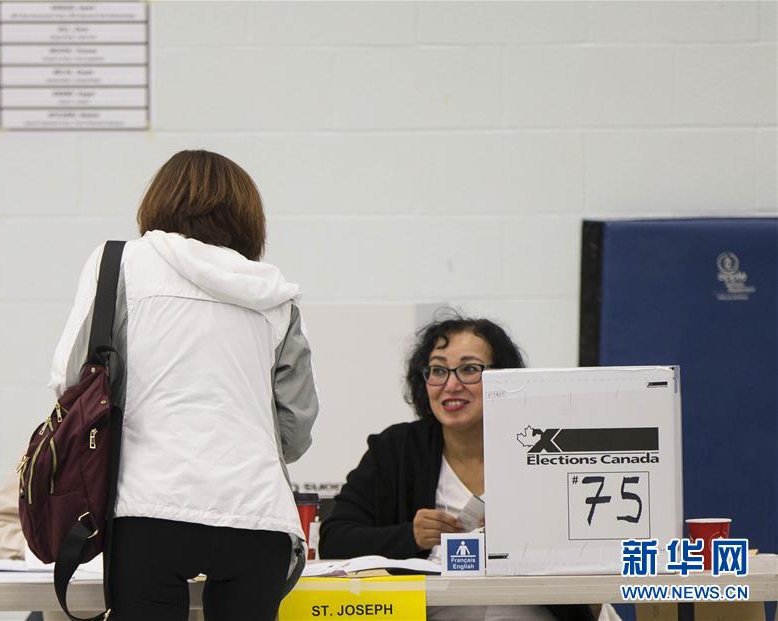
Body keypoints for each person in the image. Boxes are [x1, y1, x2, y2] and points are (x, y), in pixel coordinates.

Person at [51, 150, 318, 621]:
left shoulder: (119, 263)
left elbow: (70, 380)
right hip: (258, 516)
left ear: (159, 202)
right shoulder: (276, 295)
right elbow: (294, 431)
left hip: (149, 508)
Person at [318, 314, 595, 621]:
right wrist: (411, 536)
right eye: (438, 370)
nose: (451, 384)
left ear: (503, 377)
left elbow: (591, 544)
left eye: (469, 369)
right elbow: (335, 539)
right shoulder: (396, 449)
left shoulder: (544, 445)